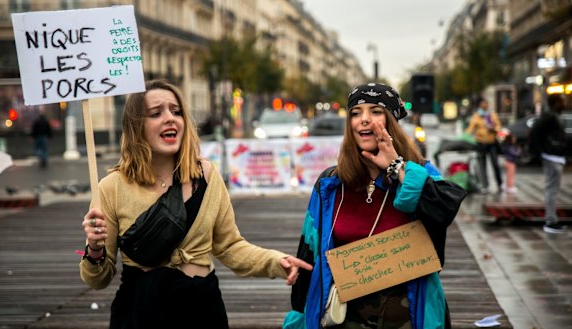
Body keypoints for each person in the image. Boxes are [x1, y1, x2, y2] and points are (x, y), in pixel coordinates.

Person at [79, 79, 312, 328]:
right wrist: (94, 248)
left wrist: (276, 262)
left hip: (202, 307)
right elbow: (97, 280)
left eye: (176, 111)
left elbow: (230, 246)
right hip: (142, 309)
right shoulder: (112, 186)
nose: (170, 118)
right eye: (156, 113)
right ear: (137, 126)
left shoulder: (207, 175)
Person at [284, 83, 466, 329]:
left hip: (409, 314)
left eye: (376, 111)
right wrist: (299, 313)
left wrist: (397, 167)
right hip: (344, 316)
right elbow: (309, 249)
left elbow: (444, 208)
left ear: (391, 120)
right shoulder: (330, 183)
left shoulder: (418, 172)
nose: (364, 120)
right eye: (356, 113)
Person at [529, 94, 567, 234]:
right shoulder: (550, 116)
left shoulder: (554, 115)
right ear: (556, 103)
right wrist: (540, 152)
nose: (565, 102)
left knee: (553, 189)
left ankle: (552, 220)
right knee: (552, 189)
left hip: (555, 156)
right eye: (562, 100)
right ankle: (550, 221)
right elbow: (534, 132)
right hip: (551, 156)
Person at [466, 97, 503, 193]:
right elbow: (470, 129)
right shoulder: (476, 116)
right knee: (483, 165)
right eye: (483, 104)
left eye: (486, 103)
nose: (485, 105)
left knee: (495, 164)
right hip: (481, 143)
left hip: (492, 143)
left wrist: (494, 129)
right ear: (480, 105)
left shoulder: (492, 115)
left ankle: (500, 184)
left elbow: (498, 126)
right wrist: (465, 137)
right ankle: (485, 185)